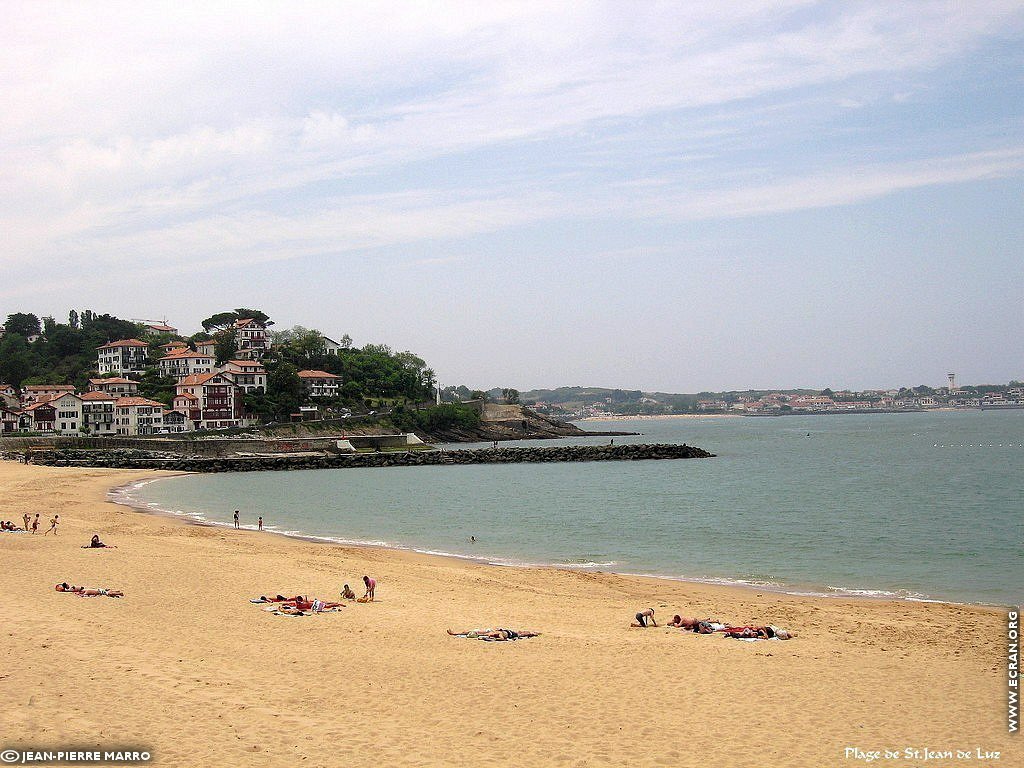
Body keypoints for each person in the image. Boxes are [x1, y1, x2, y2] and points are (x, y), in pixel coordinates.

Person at [447, 628, 540, 641]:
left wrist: (495, 639)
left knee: (521, 633)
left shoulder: (498, 634)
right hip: (507, 632)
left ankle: (533, 633)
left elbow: (503, 639)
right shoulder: (489, 632)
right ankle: (454, 633)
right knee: (521, 633)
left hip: (511, 633)